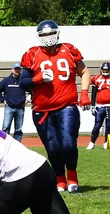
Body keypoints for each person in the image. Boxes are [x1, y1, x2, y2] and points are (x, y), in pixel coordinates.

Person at [19, 20, 91, 193]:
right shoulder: (32, 54)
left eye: (50, 34)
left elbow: (85, 72)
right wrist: (38, 79)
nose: (47, 38)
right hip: (42, 110)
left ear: (57, 33)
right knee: (52, 147)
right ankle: (60, 179)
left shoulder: (69, 50)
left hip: (67, 105)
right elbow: (22, 82)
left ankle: (72, 176)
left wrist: (84, 93)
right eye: (43, 35)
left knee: (67, 143)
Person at [87, 62, 110, 150]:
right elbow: (94, 93)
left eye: (107, 70)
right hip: (100, 105)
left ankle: (107, 142)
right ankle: (92, 142)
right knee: (97, 125)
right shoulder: (96, 78)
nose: (105, 71)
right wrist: (92, 105)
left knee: (109, 125)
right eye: (104, 69)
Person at [0, 63, 27, 142]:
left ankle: (17, 146)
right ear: (12, 70)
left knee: (18, 129)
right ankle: (4, 144)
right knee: (5, 127)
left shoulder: (23, 81)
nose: (17, 71)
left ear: (20, 70)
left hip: (20, 108)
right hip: (9, 107)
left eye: (18, 69)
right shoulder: (6, 80)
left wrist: (28, 99)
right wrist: (2, 100)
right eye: (15, 69)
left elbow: (32, 90)